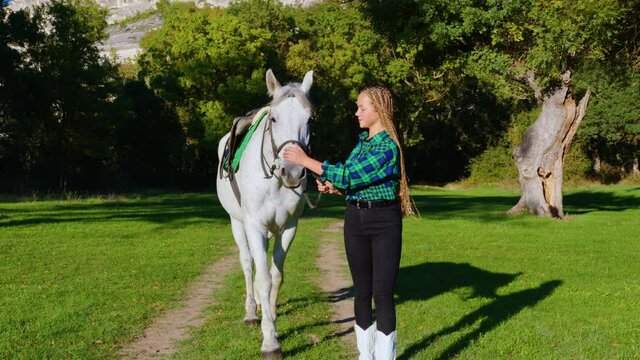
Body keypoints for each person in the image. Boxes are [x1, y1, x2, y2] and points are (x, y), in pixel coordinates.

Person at [283, 86, 416, 360]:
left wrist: (305, 161)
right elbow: (353, 181)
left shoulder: (388, 147)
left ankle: (384, 357)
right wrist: (337, 188)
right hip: (355, 219)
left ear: (378, 111)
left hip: (383, 222)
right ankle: (365, 356)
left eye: (362, 108)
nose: (356, 113)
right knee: (362, 290)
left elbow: (351, 174)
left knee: (382, 292)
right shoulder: (362, 144)